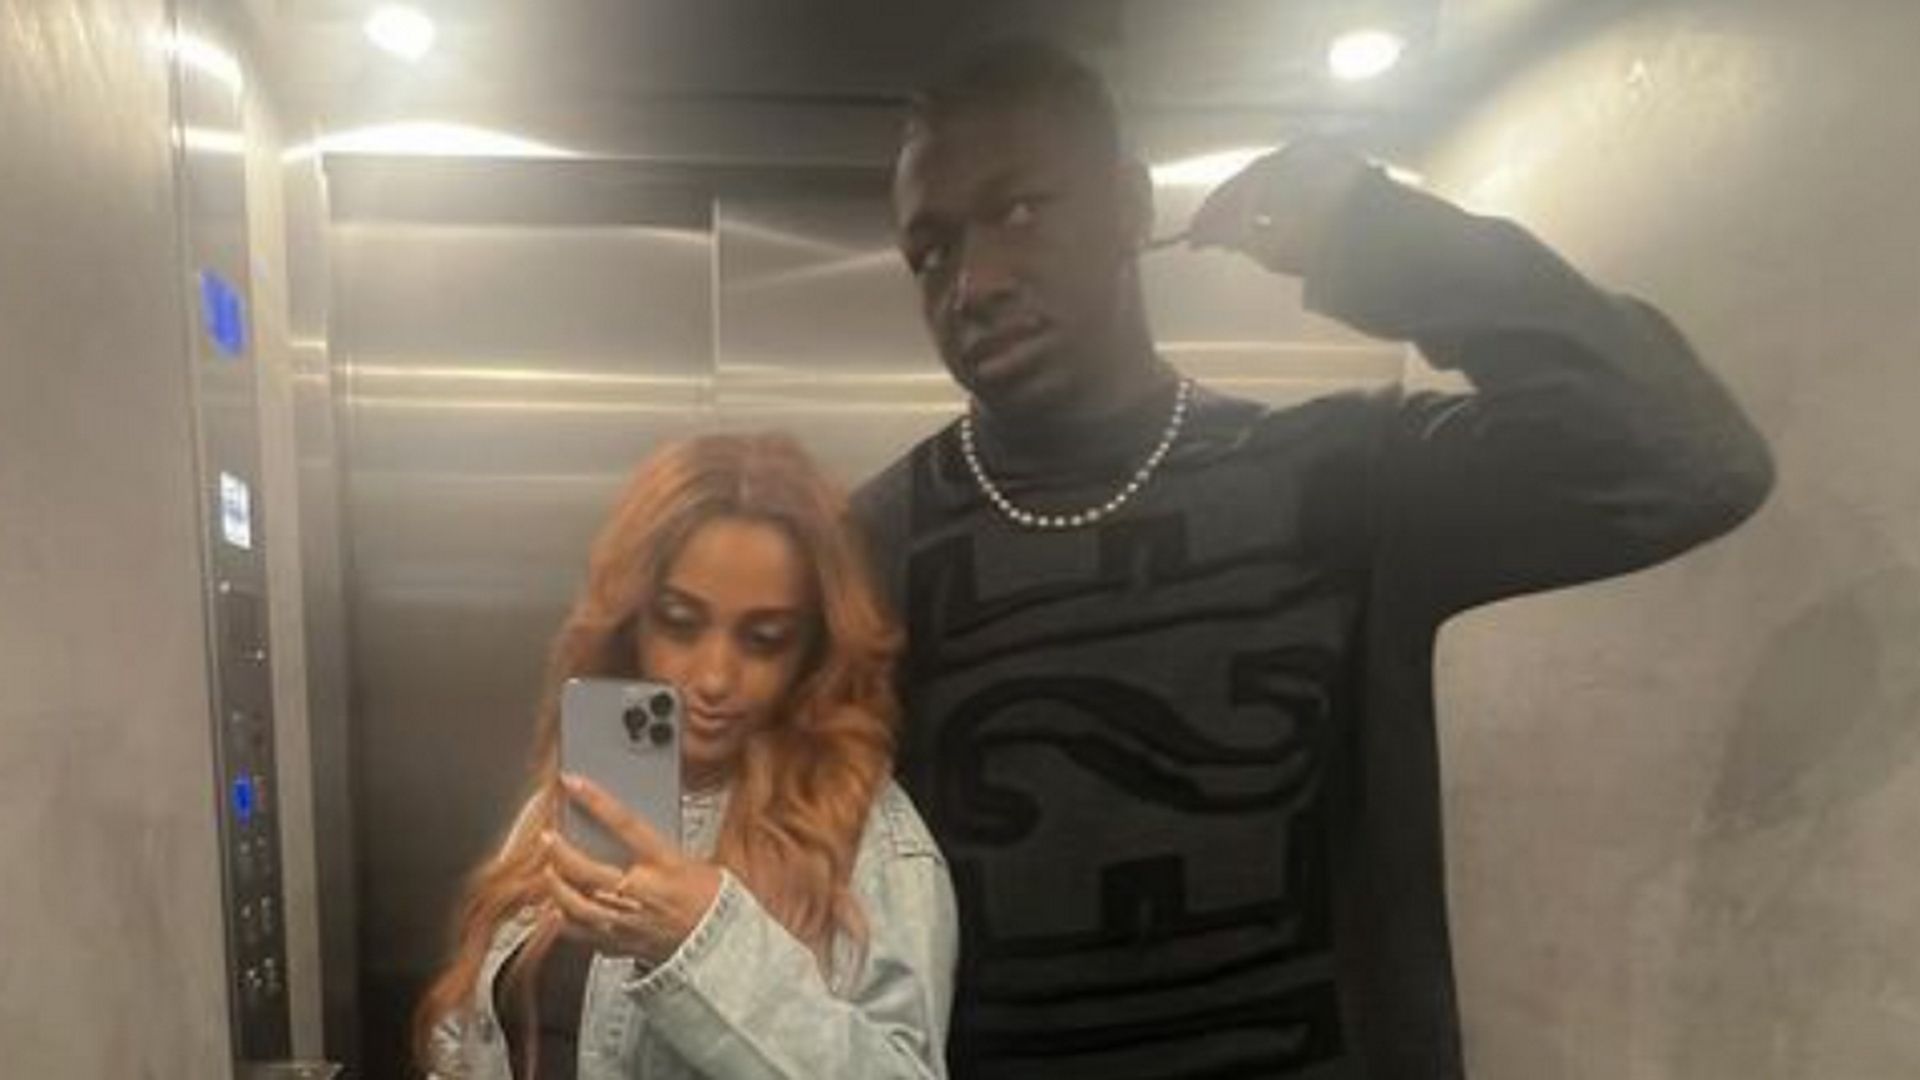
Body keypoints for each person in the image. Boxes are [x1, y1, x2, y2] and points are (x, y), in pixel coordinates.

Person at [852, 40, 1774, 1080]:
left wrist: (1378, 236)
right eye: (930, 252)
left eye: (1021, 211)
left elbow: (1689, 460)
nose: (972, 283)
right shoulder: (864, 548)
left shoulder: (1336, 482)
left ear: (1131, 208)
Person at [416, 433, 958, 1079]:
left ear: (813, 651)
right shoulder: (575, 798)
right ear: (631, 621)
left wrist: (702, 943)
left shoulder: (868, 841)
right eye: (679, 622)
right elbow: (472, 1040)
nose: (714, 677)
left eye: (765, 639)